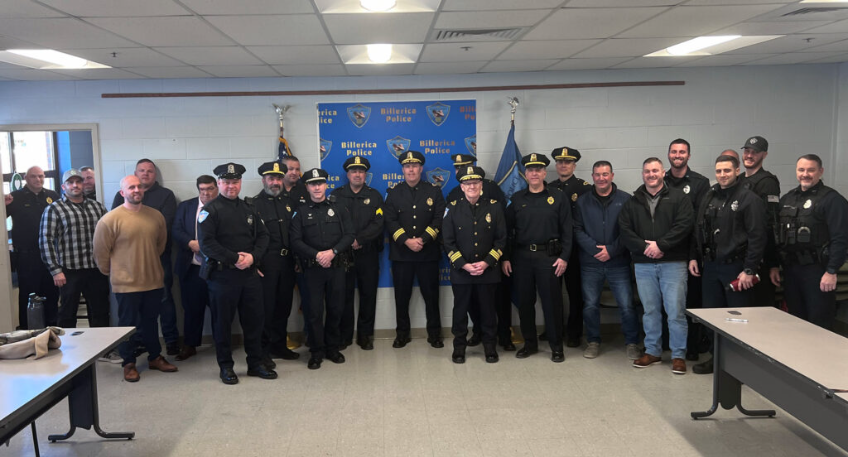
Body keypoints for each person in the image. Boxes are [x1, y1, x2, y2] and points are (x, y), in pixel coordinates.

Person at [93, 175, 178, 382]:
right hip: (126, 284)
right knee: (127, 325)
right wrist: (115, 273)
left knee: (150, 322)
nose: (136, 190)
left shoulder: (155, 216)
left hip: (153, 281)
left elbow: (160, 245)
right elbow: (100, 253)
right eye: (131, 187)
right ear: (123, 192)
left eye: (139, 186)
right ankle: (128, 363)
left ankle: (155, 357)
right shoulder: (110, 220)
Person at [198, 162, 275, 385]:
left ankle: (255, 363)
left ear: (240, 183)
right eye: (226, 182)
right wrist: (236, 259)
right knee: (222, 324)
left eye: (235, 182)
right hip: (222, 277)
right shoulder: (209, 211)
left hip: (249, 276)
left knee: (254, 322)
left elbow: (264, 237)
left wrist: (252, 258)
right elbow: (207, 244)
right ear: (219, 183)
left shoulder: (249, 209)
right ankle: (226, 367)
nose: (231, 186)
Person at [689, 155, 766, 375]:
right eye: (719, 171)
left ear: (736, 171)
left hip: (737, 268)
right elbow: (698, 229)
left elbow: (757, 237)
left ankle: (739, 364)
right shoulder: (709, 195)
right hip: (711, 267)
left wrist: (749, 269)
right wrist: (694, 256)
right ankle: (716, 359)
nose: (723, 175)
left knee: (737, 318)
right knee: (712, 316)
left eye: (727, 171)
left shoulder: (748, 199)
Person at [619, 158, 693, 375]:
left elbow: (685, 225)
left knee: (676, 312)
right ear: (642, 174)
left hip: (673, 263)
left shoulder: (679, 198)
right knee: (650, 311)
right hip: (644, 264)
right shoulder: (633, 202)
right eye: (647, 171)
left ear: (663, 173)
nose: (651, 174)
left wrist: (662, 245)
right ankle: (652, 351)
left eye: (655, 170)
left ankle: (678, 355)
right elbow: (625, 230)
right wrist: (645, 247)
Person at [502, 153, 571, 363]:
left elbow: (568, 230)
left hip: (548, 258)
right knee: (525, 303)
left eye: (538, 169)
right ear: (525, 173)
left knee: (552, 304)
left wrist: (565, 257)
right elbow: (506, 231)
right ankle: (530, 344)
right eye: (530, 170)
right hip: (521, 258)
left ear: (544, 173)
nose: (534, 173)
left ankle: (556, 346)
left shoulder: (558, 197)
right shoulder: (517, 199)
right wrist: (505, 258)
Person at [771, 154, 848, 330]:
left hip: (818, 272)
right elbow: (777, 235)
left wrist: (832, 271)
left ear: (820, 171)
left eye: (811, 170)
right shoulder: (788, 199)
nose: (805, 174)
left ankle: (822, 357)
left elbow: (841, 239)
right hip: (792, 270)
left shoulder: (832, 200)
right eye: (801, 170)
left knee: (819, 322)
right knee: (796, 320)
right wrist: (775, 265)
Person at [112, 159, 179, 355]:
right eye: (142, 171)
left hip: (158, 260)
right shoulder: (121, 195)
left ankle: (171, 340)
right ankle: (138, 342)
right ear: (135, 172)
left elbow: (164, 228)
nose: (146, 174)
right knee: (134, 305)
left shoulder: (165, 195)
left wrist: (150, 250)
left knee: (164, 300)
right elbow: (115, 228)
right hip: (129, 263)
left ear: (155, 175)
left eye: (150, 171)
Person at [573, 161, 640, 361]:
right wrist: (595, 250)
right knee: (590, 305)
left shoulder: (627, 200)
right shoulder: (582, 202)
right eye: (597, 174)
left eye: (605, 174)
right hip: (590, 263)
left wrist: (612, 250)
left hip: (618, 262)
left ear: (612, 175)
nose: (601, 178)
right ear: (592, 177)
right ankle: (593, 341)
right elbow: (576, 229)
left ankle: (632, 342)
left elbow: (631, 231)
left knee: (627, 305)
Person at [446, 154, 513, 351]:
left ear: (481, 185)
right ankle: (459, 348)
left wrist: (486, 263)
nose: (472, 187)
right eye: (468, 184)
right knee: (460, 313)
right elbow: (448, 242)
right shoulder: (452, 209)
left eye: (475, 183)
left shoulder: (495, 208)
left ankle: (490, 348)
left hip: (488, 271)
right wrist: (464, 265)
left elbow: (501, 239)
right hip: (461, 271)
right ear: (462, 187)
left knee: (488, 312)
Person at [290, 168, 354, 369]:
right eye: (312, 184)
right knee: (314, 312)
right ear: (307, 187)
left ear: (326, 185)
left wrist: (332, 252)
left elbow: (349, 234)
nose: (317, 187)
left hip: (335, 267)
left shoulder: (340, 207)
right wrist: (317, 255)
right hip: (312, 270)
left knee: (336, 309)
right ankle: (316, 351)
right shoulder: (300, 211)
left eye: (320, 183)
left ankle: (332, 348)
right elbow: (295, 240)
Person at [384, 151, 446, 349]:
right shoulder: (394, 193)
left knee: (432, 297)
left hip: (428, 254)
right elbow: (390, 220)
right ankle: (402, 334)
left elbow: (438, 219)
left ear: (420, 168)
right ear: (403, 169)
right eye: (407, 166)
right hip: (402, 255)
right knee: (401, 298)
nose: (411, 169)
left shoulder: (434, 191)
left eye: (414, 166)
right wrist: (406, 240)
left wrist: (423, 239)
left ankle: (434, 334)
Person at [39, 169, 111, 329]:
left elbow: (108, 236)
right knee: (67, 314)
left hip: (95, 269)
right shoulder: (54, 209)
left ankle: (103, 350)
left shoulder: (97, 207)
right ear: (64, 187)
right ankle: (67, 350)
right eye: (70, 182)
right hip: (69, 271)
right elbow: (46, 240)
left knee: (100, 312)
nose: (75, 185)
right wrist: (55, 270)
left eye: (78, 182)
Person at [331, 156, 385, 350]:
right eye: (354, 171)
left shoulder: (375, 195)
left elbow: (378, 224)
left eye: (361, 171)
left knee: (368, 295)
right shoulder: (336, 196)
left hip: (368, 253)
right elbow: (332, 224)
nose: (357, 174)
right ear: (348, 174)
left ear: (365, 174)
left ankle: (365, 336)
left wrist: (359, 240)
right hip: (343, 255)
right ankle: (345, 336)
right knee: (343, 295)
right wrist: (348, 241)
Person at [663, 138, 710, 361]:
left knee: (690, 303)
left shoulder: (700, 183)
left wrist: (693, 255)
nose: (678, 155)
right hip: (665, 252)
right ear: (669, 155)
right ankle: (667, 345)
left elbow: (699, 223)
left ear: (688, 155)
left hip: (689, 252)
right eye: (674, 152)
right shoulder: (660, 180)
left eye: (682, 152)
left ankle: (691, 347)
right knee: (667, 303)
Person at [253, 161, 300, 366]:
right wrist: (254, 263)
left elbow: (297, 234)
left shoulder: (289, 202)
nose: (275, 182)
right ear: (263, 179)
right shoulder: (254, 205)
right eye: (271, 178)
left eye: (278, 178)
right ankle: (263, 351)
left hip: (288, 262)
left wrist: (298, 259)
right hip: (266, 264)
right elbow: (250, 237)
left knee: (283, 307)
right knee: (266, 309)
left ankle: (279, 346)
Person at [547, 146, 592, 348]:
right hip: (553, 249)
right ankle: (554, 329)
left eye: (568, 162)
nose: (563, 165)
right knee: (552, 293)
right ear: (556, 165)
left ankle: (574, 332)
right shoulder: (549, 187)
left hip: (575, 250)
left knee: (575, 293)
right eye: (560, 162)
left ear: (574, 165)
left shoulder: (584, 188)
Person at [6, 166, 60, 329]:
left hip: (50, 255)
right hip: (26, 257)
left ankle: (51, 330)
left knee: (51, 294)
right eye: (34, 177)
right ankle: (27, 331)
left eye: (41, 176)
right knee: (28, 296)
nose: (38, 180)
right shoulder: (15, 197)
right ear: (26, 178)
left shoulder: (52, 196)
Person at [172, 175, 218, 361]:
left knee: (219, 309)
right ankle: (190, 344)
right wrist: (190, 242)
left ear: (217, 188)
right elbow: (176, 229)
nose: (206, 193)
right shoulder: (186, 207)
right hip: (192, 267)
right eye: (202, 189)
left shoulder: (225, 207)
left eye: (210, 189)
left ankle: (221, 344)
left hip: (217, 269)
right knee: (191, 308)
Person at [740, 136, 780, 308]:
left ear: (764, 155)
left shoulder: (767, 183)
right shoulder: (739, 180)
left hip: (759, 258)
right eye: (747, 151)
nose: (749, 155)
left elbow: (771, 225)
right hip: (741, 254)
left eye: (754, 152)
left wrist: (773, 264)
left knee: (759, 308)